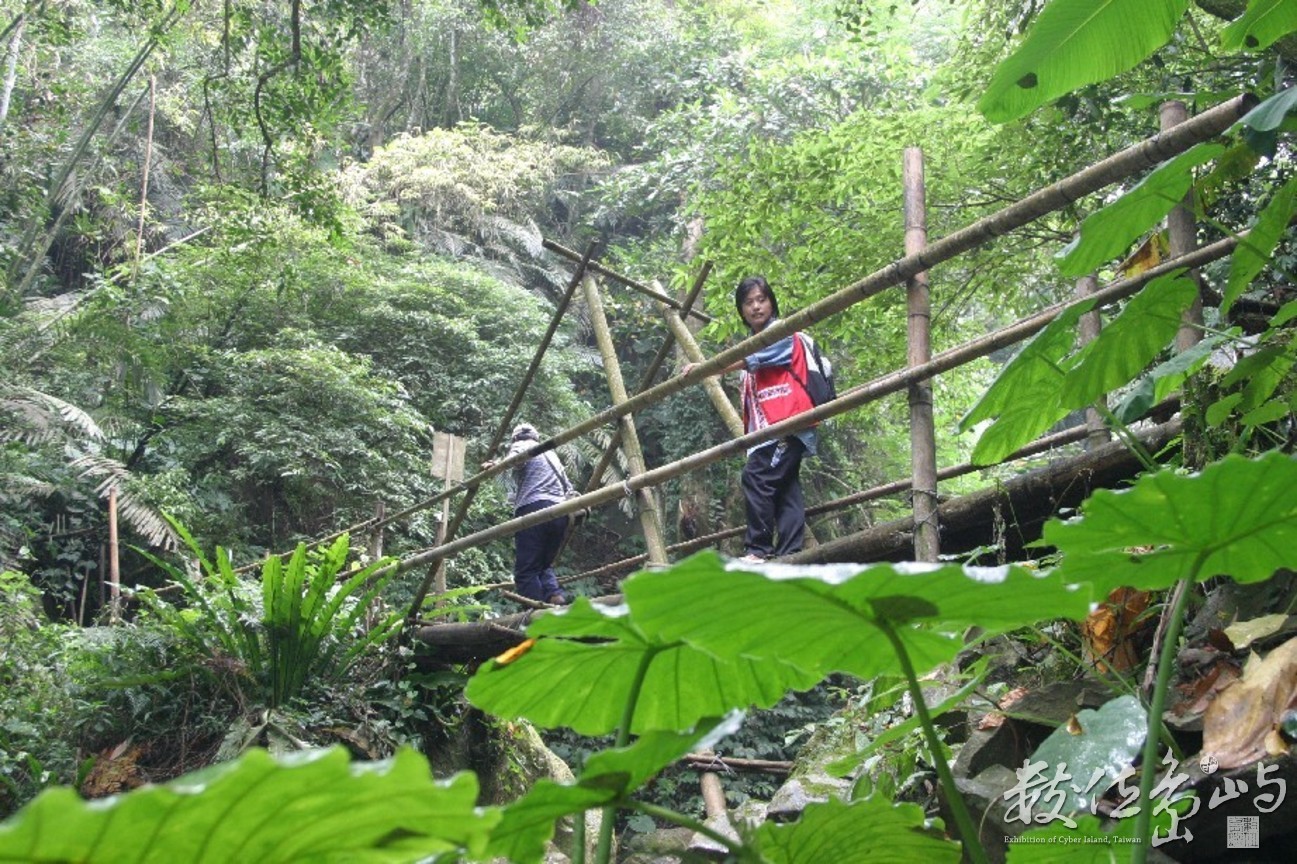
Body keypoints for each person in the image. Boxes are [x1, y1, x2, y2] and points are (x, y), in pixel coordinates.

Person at [684, 276, 817, 561]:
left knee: (756, 477)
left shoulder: (782, 333)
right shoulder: (755, 341)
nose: (756, 307)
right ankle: (791, 552)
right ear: (741, 309)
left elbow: (748, 361)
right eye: (749, 302)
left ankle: (759, 549)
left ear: (772, 302)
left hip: (786, 424)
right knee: (785, 488)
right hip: (773, 427)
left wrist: (709, 368)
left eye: (762, 299)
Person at [494, 423, 577, 605]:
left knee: (526, 572)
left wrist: (496, 466)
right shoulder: (552, 455)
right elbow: (567, 487)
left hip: (534, 510)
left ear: (515, 438)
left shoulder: (522, 445)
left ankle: (536, 616)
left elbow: (516, 459)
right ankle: (555, 598)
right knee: (542, 566)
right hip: (560, 511)